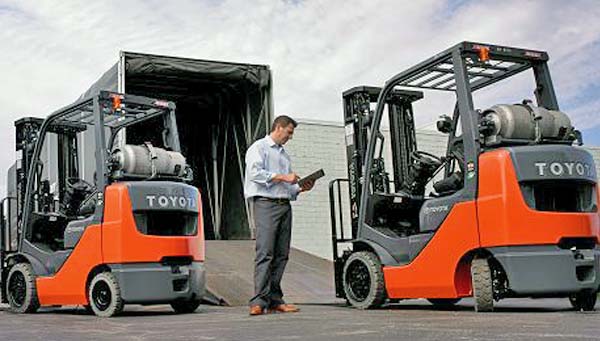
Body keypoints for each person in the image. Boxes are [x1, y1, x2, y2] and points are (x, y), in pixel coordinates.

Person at [244, 115, 314, 316]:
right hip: (265, 204)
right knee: (265, 252)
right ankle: (258, 301)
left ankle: (275, 299)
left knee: (282, 254)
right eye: (289, 132)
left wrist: (301, 188)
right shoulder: (259, 148)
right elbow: (255, 173)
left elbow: (287, 187)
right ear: (279, 127)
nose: (290, 137)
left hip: (284, 205)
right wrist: (284, 176)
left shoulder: (284, 155)